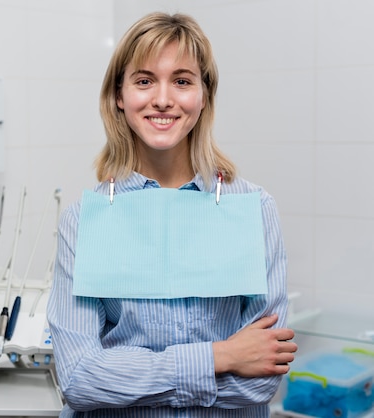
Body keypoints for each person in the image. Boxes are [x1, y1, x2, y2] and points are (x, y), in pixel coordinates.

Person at [46, 11, 298, 417]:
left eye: (182, 81)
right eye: (144, 81)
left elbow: (260, 383)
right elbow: (79, 379)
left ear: (204, 95)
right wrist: (220, 356)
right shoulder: (86, 221)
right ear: (119, 95)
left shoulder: (251, 210)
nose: (163, 99)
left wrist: (129, 378)